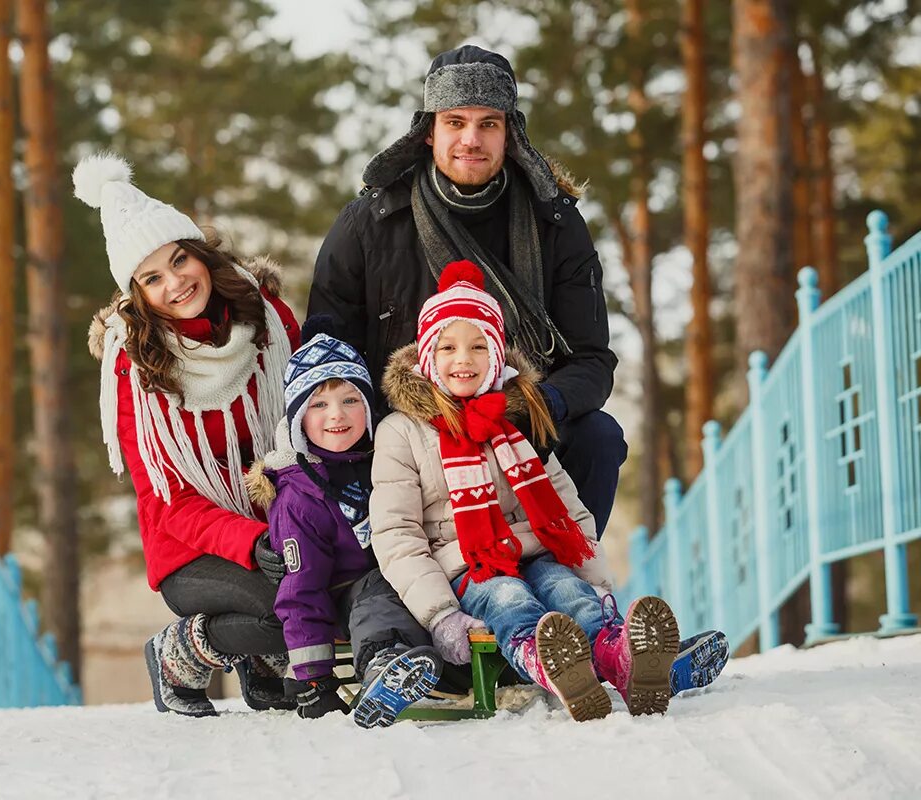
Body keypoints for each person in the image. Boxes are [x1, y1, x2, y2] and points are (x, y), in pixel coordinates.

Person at [310, 43, 729, 694]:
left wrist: (532, 407)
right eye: (455, 122)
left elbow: (592, 358)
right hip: (409, 440)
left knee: (600, 438)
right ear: (428, 132)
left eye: (488, 123)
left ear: (511, 131)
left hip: (520, 424)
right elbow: (327, 348)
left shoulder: (553, 222)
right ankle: (487, 634)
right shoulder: (370, 222)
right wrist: (390, 424)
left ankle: (599, 639)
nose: (470, 139)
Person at [371, 261, 682, 720]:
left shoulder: (517, 417)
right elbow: (396, 533)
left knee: (566, 591)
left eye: (479, 346)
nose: (464, 359)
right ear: (427, 359)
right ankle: (551, 662)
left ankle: (621, 659)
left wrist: (595, 582)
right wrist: (440, 614)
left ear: (497, 356)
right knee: (507, 598)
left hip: (534, 551)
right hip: (466, 563)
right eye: (449, 347)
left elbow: (567, 506)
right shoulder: (402, 431)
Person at [76, 152, 302, 717]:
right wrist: (249, 543)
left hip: (279, 513)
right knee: (290, 606)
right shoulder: (134, 369)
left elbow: (305, 421)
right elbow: (167, 500)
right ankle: (181, 654)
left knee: (332, 584)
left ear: (199, 253)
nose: (176, 283)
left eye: (180, 261)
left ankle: (265, 659)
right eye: (153, 278)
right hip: (192, 544)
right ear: (137, 294)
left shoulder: (266, 317)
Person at [245, 317, 442, 727]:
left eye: (351, 400)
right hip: (347, 598)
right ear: (298, 418)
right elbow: (300, 591)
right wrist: (314, 681)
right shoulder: (300, 495)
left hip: (416, 573)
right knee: (376, 593)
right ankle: (385, 667)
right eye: (318, 404)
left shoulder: (387, 459)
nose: (337, 415)